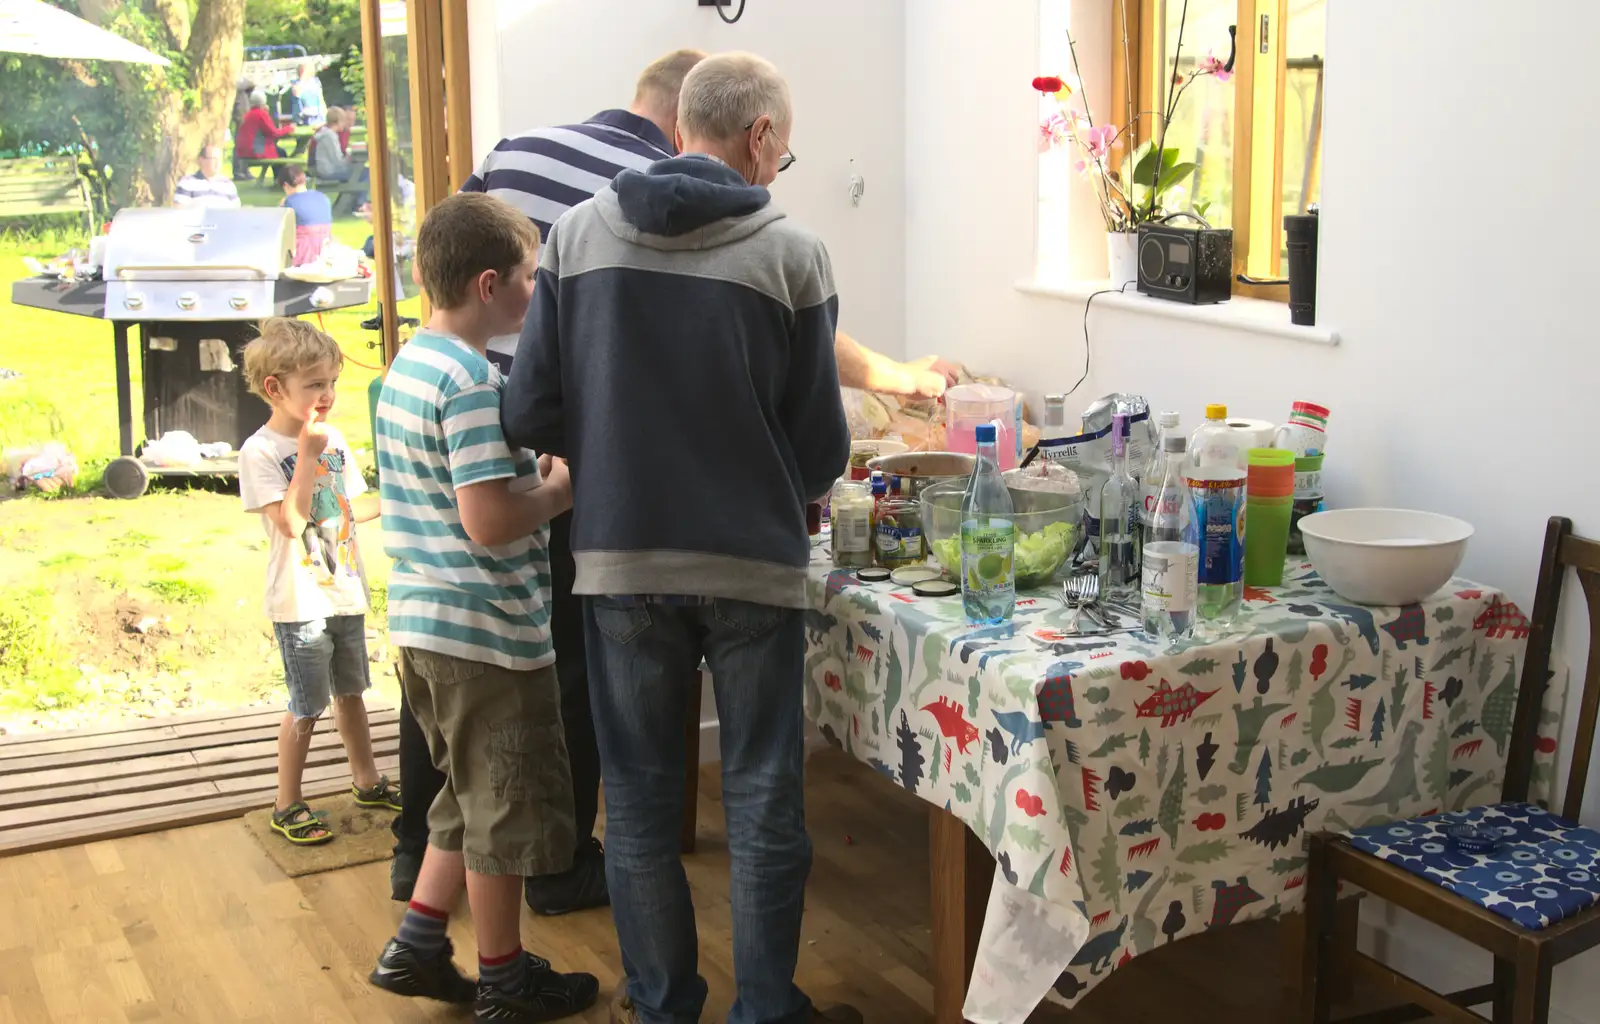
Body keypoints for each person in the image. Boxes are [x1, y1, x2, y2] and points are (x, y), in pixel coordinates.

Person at [501, 51, 861, 1024]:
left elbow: (529, 408)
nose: (778, 171)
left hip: (618, 560)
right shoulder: (793, 253)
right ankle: (765, 1010)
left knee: (643, 805)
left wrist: (615, 447)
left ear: (676, 130)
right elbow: (823, 446)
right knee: (760, 802)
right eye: (781, 154)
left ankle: (661, 1005)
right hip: (754, 566)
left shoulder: (573, 239)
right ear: (759, 138)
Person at [382, 47, 710, 919]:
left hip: (453, 440)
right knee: (556, 662)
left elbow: (454, 247)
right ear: (686, 123)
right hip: (554, 451)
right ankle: (556, 866)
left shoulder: (517, 149)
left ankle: (418, 852)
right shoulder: (668, 182)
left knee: (452, 669)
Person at [367, 191, 598, 1023]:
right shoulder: (469, 380)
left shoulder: (409, 368)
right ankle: (503, 981)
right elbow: (490, 519)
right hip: (488, 641)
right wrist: (560, 489)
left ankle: (420, 944)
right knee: (505, 811)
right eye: (531, 279)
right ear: (491, 283)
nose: (538, 294)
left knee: (464, 798)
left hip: (426, 628)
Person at [238, 318, 402, 849]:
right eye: (314, 383)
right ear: (275, 388)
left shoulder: (334, 440)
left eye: (331, 382)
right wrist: (306, 458)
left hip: (344, 591)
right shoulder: (261, 452)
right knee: (306, 704)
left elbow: (355, 507)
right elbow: (290, 521)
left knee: (352, 691)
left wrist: (411, 491)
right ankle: (287, 802)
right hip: (300, 601)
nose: (327, 394)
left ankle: (366, 779)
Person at [276, 165, 333, 265]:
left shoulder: (289, 203)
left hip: (302, 253)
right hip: (324, 249)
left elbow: (279, 228)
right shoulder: (323, 198)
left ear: (285, 185)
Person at [174, 145, 241, 208]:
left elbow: (236, 211)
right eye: (214, 158)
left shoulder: (228, 184)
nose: (217, 162)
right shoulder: (187, 183)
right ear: (201, 160)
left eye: (219, 159)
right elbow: (179, 212)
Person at [237, 90, 294, 161]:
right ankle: (285, 172)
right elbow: (274, 133)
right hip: (255, 151)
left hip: (243, 151)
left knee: (278, 151)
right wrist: (289, 128)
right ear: (263, 101)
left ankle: (281, 172)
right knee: (281, 153)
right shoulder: (261, 114)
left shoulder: (248, 114)